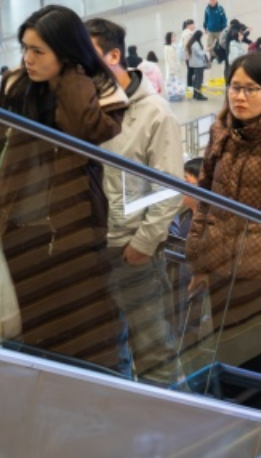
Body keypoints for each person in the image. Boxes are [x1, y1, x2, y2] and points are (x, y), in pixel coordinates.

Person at [0, 6, 129, 369]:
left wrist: (69, 76)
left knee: (83, 327)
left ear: (66, 52)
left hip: (73, 229)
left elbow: (86, 130)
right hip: (17, 229)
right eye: (25, 48)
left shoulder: (100, 90)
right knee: (31, 326)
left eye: (38, 51)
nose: (27, 59)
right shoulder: (15, 86)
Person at [86, 19, 183, 383]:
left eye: (88, 56)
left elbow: (170, 186)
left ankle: (173, 415)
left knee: (154, 352)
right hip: (91, 248)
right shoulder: (82, 110)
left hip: (132, 252)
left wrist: (142, 245)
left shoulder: (154, 112)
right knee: (108, 353)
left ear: (114, 55)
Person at [185, 30, 210, 101]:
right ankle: (198, 94)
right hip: (198, 64)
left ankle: (195, 93)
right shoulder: (195, 44)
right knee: (199, 79)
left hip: (195, 63)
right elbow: (199, 53)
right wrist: (206, 50)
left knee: (196, 79)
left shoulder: (192, 43)